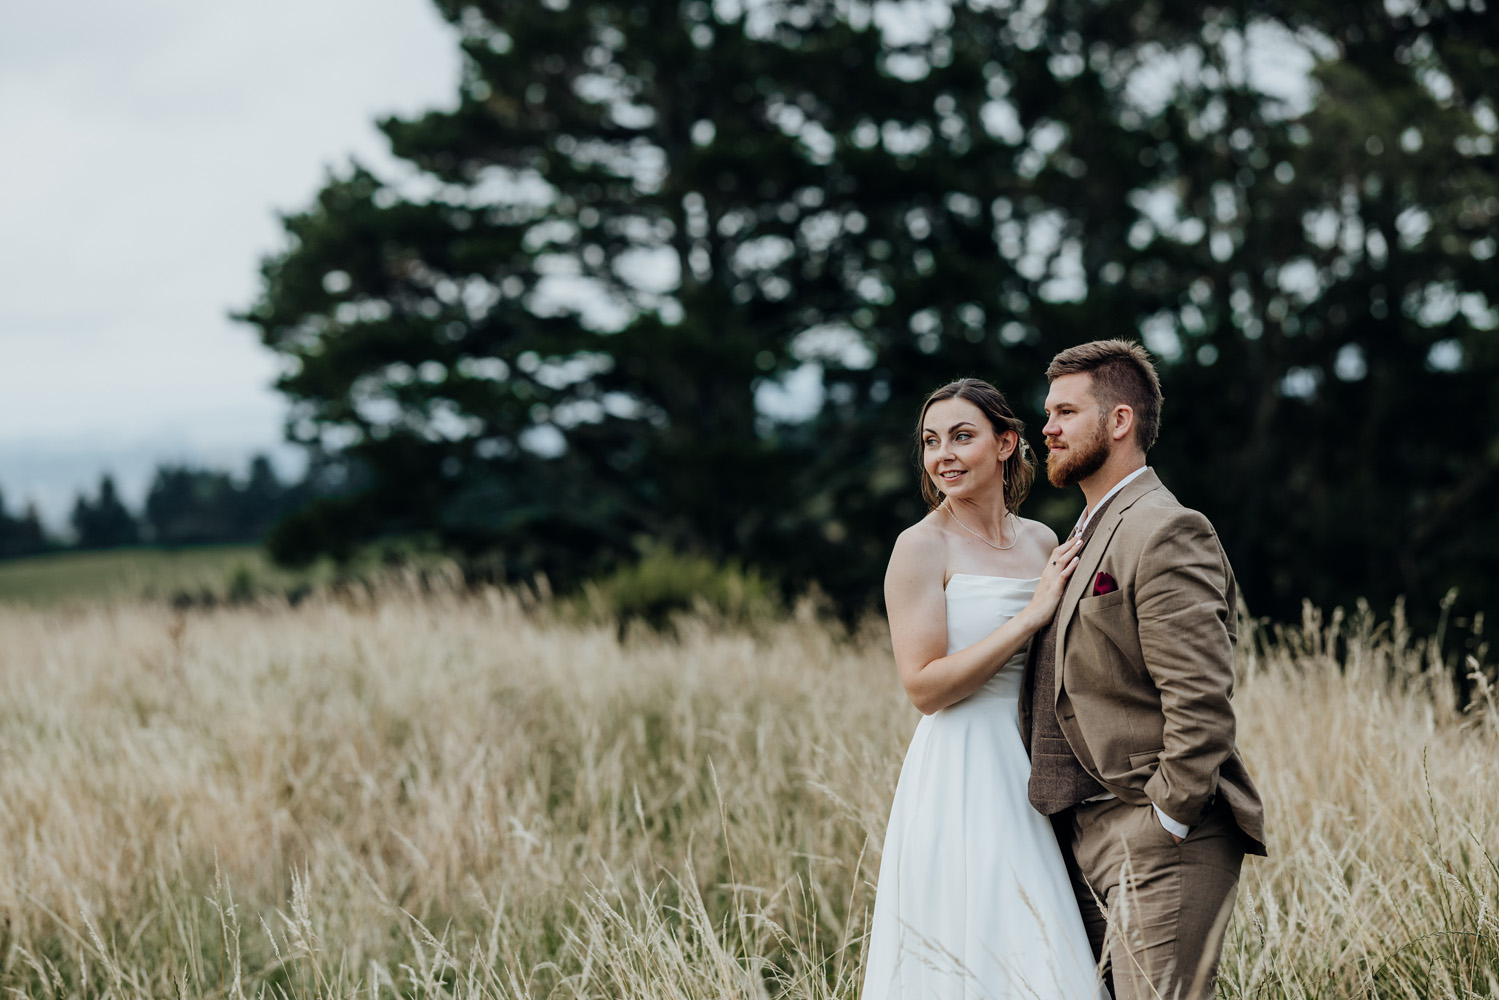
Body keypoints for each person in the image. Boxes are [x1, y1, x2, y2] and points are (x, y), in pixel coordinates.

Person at [1021, 339, 1267, 1000]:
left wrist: (1166, 819)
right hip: (1086, 833)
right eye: (1049, 412)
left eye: (1066, 412)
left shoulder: (1165, 528)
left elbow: (1200, 700)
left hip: (1156, 837)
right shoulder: (1085, 528)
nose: (1047, 427)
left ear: (1120, 421)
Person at [863, 378, 1105, 1000]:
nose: (943, 454)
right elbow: (923, 687)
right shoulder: (920, 547)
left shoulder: (1042, 543)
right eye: (930, 441)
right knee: (967, 939)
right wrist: (1029, 617)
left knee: (1038, 942)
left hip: (1034, 759)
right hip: (962, 765)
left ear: (1006, 443)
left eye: (962, 436)